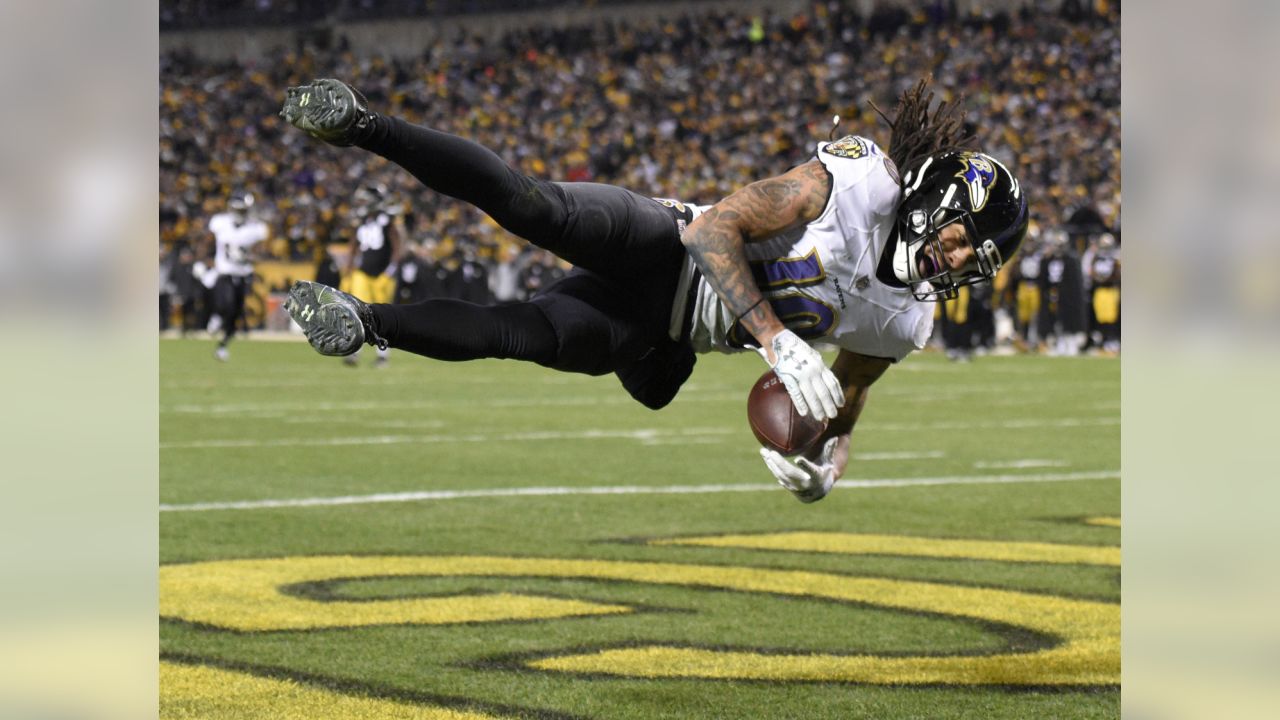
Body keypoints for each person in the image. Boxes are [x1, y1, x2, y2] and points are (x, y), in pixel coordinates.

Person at [278, 77, 1028, 502]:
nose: (956, 258)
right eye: (961, 234)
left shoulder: (906, 319)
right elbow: (714, 233)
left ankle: (362, 321)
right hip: (664, 241)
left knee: (529, 336)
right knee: (532, 205)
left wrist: (821, 463)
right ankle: (363, 124)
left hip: (662, 332)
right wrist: (775, 337)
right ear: (934, 196)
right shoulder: (857, 183)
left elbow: (849, 396)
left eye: (975, 258)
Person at [341, 184, 402, 368]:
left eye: (365, 200)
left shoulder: (387, 221)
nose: (361, 204)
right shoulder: (361, 221)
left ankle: (383, 355)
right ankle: (354, 352)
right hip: (363, 273)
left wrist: (390, 271)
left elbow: (398, 248)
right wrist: (348, 270)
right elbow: (354, 246)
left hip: (382, 274)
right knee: (358, 313)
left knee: (382, 316)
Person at [208, 192, 269, 361]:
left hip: (243, 275)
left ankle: (222, 346)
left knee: (235, 314)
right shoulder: (220, 223)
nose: (242, 213)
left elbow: (261, 253)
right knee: (225, 303)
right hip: (224, 273)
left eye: (244, 210)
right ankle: (217, 316)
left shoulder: (256, 229)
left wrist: (247, 257)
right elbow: (207, 243)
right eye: (239, 210)